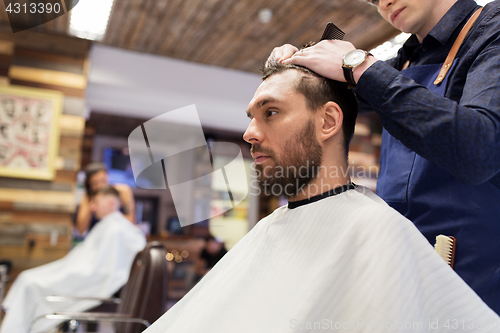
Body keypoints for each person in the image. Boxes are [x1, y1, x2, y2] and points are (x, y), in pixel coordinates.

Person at [143, 63, 499, 333]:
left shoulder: (376, 231)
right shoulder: (275, 226)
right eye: (251, 117)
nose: (249, 133)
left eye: (271, 112)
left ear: (328, 121)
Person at [267, 0, 500, 314]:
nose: (383, 3)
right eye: (373, 0)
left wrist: (360, 66)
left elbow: (479, 150)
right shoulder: (404, 63)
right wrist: (296, 68)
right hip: (402, 277)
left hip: (479, 291)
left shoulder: (491, 28)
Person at [0, 186, 146, 333]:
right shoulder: (110, 226)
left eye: (96, 202)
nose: (92, 207)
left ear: (110, 203)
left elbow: (100, 270)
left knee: (28, 282)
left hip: (87, 280)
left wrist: (67, 273)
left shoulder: (117, 229)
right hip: (79, 273)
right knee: (26, 278)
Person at [76, 162, 135, 235]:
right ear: (89, 184)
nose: (100, 186)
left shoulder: (122, 192)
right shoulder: (88, 198)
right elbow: (81, 230)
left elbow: (130, 222)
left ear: (108, 176)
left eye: (103, 181)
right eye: (95, 183)